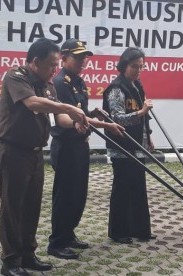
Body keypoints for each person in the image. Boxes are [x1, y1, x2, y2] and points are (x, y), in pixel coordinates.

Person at [0, 38, 87, 276]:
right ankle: (10, 261)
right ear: (35, 62)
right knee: (12, 207)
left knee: (32, 206)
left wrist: (84, 121)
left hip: (37, 154)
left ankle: (28, 255)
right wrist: (70, 108)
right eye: (51, 65)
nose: (55, 70)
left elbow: (60, 120)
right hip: (14, 151)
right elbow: (31, 103)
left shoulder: (48, 85)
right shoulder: (15, 77)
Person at [47, 39, 124, 260]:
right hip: (66, 146)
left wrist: (94, 113)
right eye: (78, 57)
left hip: (80, 146)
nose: (83, 61)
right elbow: (67, 118)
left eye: (84, 57)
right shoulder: (61, 82)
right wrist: (108, 125)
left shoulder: (78, 82)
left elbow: (81, 113)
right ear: (64, 58)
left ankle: (68, 234)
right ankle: (57, 242)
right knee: (65, 195)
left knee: (78, 193)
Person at [102, 47, 155, 244]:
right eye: (134, 66)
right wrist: (141, 113)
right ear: (124, 65)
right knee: (122, 189)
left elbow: (144, 116)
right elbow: (117, 119)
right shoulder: (117, 88)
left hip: (137, 144)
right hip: (122, 146)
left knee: (138, 187)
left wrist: (148, 135)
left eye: (141, 67)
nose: (138, 70)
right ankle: (119, 231)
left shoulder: (137, 85)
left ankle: (140, 229)